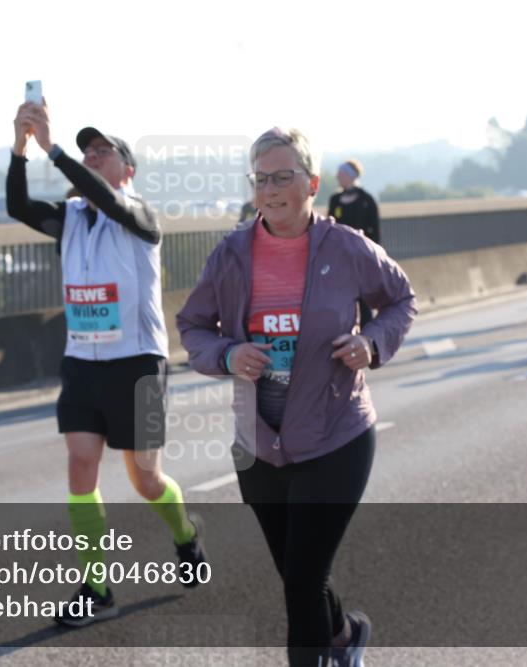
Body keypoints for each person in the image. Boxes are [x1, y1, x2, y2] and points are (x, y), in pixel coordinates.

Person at [177, 127, 417, 666]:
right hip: (259, 445)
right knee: (298, 571)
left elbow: (401, 299)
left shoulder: (347, 247)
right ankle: (345, 635)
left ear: (311, 183)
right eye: (260, 179)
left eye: (282, 177)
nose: (269, 189)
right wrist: (227, 354)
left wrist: (370, 342)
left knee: (302, 580)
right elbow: (193, 324)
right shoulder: (232, 254)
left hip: (336, 436)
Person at [6, 100, 206, 627]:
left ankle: (185, 535)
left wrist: (55, 148)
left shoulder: (140, 216)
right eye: (86, 149)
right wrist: (20, 148)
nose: (92, 155)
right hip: (82, 363)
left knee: (145, 478)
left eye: (103, 150)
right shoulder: (70, 218)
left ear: (128, 169)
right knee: (80, 466)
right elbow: (18, 206)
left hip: (137, 362)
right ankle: (97, 587)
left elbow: (105, 199)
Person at [328, 159, 381, 329]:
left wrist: (374, 256)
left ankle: (367, 334)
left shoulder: (366, 200)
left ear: (351, 176)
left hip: (361, 256)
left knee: (363, 297)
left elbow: (375, 231)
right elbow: (331, 226)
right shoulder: (335, 200)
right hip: (340, 256)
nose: (338, 177)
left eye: (341, 174)